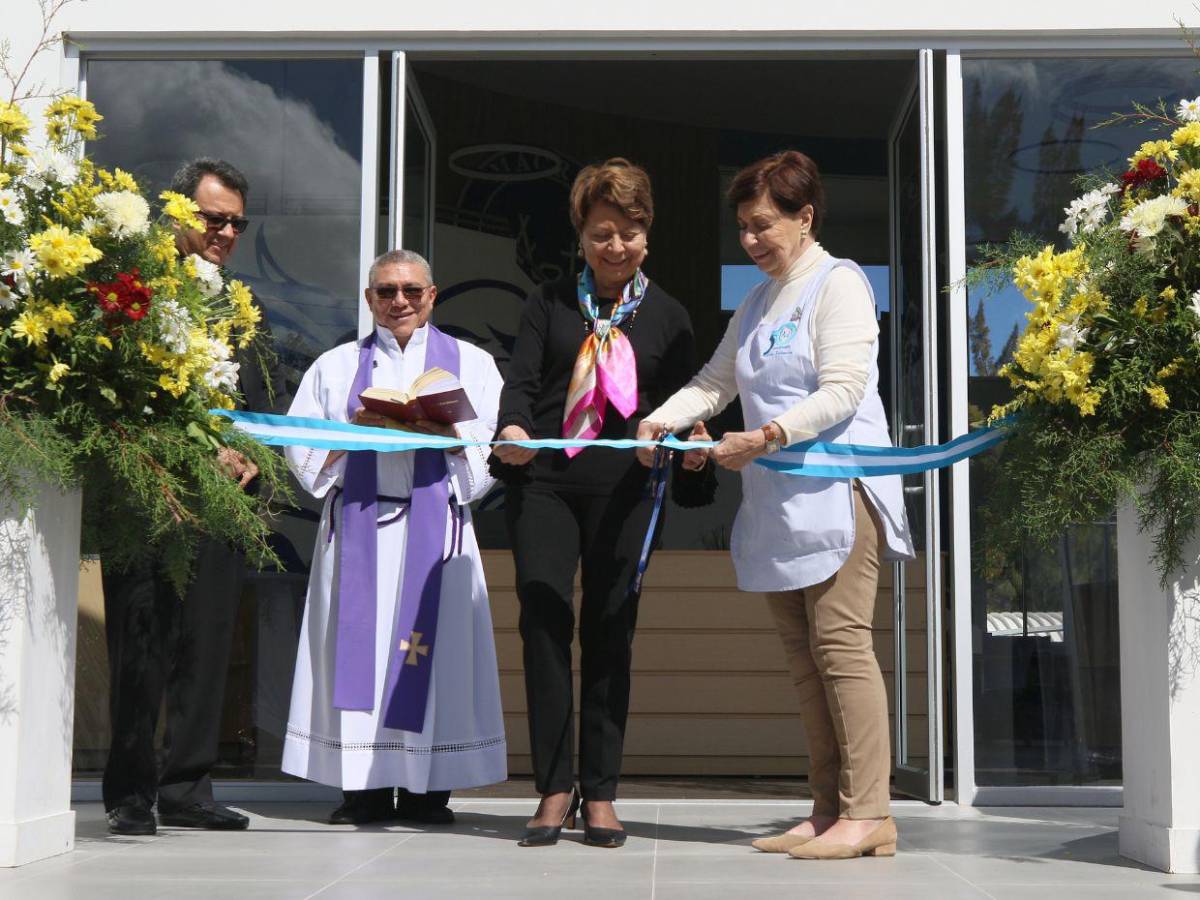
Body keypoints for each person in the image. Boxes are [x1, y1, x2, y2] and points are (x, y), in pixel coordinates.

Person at [638, 150, 914, 860]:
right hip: (780, 503)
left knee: (841, 648)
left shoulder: (838, 283)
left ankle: (871, 812)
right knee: (803, 659)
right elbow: (714, 380)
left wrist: (765, 436)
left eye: (764, 225)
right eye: (743, 229)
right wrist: (659, 421)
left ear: (805, 217)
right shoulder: (758, 302)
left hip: (839, 492)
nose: (752, 241)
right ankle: (827, 811)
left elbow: (844, 389)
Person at [491, 158, 708, 848]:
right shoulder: (547, 303)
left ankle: (604, 793)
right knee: (545, 625)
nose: (616, 247)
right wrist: (514, 430)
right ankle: (556, 787)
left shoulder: (671, 318)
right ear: (580, 236)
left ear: (649, 236)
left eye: (630, 232)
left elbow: (687, 410)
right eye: (602, 233)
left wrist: (691, 444)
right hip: (547, 485)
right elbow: (520, 389)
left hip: (628, 491)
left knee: (611, 633)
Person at [282, 249, 507, 826]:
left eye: (411, 290)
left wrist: (447, 434)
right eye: (386, 291)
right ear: (368, 300)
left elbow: (492, 456)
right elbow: (304, 459)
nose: (399, 301)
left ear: (433, 295)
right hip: (360, 526)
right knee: (361, 659)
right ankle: (363, 789)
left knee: (434, 659)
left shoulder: (474, 365)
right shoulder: (333, 369)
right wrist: (353, 433)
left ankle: (431, 790)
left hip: (438, 534)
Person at [102, 158, 267, 836]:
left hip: (223, 507)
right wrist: (202, 451)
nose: (225, 231)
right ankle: (132, 791)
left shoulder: (239, 304)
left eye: (236, 222)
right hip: (151, 498)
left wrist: (252, 459)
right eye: (213, 218)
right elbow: (123, 401)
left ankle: (188, 786)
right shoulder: (137, 293)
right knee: (141, 646)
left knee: (205, 648)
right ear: (179, 215)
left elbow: (258, 408)